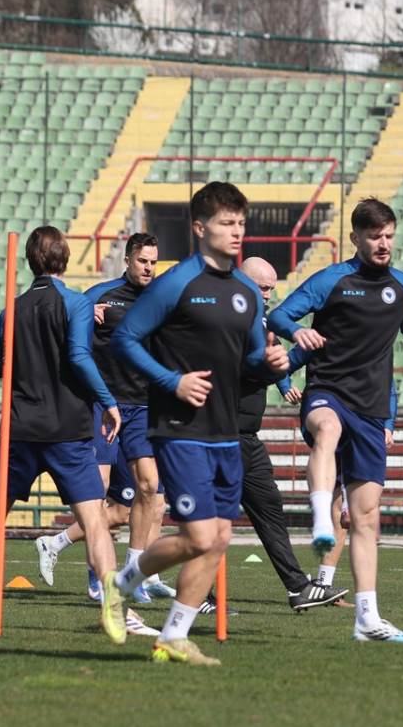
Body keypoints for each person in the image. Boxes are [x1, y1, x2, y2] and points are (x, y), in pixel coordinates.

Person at [109, 182, 290, 666]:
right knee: (200, 536)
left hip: (227, 430)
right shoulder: (176, 283)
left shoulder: (246, 292)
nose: (236, 232)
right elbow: (125, 338)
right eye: (226, 223)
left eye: (240, 224)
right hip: (178, 427)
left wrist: (272, 363)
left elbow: (251, 359)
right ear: (199, 228)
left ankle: (173, 635)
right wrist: (172, 381)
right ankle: (122, 582)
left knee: (221, 537)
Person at [267, 198, 403, 643]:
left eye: (388, 236)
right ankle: (321, 519)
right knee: (327, 429)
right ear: (356, 238)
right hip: (328, 390)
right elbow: (280, 314)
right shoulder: (331, 280)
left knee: (366, 517)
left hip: (372, 406)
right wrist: (297, 332)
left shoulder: (401, 286)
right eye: (374, 237)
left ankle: (368, 618)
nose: (384, 244)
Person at [0, 227, 126, 644]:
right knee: (95, 522)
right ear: (64, 260)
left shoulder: (13, 308)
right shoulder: (76, 303)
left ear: (31, 261)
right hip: (68, 429)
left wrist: (22, 365)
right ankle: (113, 607)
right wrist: (109, 400)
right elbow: (80, 358)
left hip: (20, 429)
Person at [31, 236, 166, 638]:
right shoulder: (99, 295)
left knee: (148, 488)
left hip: (143, 406)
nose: (148, 268)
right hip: (104, 406)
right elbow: (68, 325)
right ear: (127, 260)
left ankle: (133, 573)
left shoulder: (162, 299)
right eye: (142, 261)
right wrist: (87, 317)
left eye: (154, 262)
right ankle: (96, 580)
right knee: (100, 489)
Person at [237, 256, 348, 611]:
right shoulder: (233, 321)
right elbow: (257, 369)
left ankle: (297, 588)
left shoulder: (258, 320)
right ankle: (143, 579)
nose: (269, 295)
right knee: (207, 525)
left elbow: (270, 365)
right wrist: (301, 353)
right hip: (219, 435)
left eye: (272, 288)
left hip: (247, 438)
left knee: (270, 511)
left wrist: (295, 359)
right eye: (263, 287)